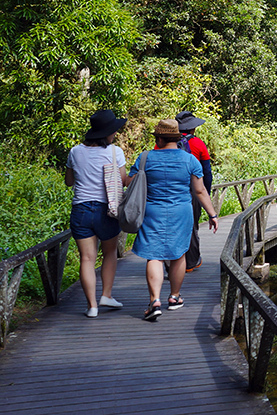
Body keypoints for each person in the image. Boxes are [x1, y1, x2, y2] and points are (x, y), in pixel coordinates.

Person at [129, 119, 219, 321]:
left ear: (159, 138)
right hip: (181, 211)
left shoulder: (145, 158)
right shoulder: (190, 160)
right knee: (179, 253)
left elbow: (130, 182)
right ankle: (174, 297)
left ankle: (154, 301)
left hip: (152, 211)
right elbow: (200, 190)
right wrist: (212, 215)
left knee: (154, 255)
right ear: (177, 138)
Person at [65, 110, 131, 318]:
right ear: (108, 133)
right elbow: (121, 181)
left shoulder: (75, 151)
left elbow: (69, 181)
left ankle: (92, 306)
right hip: (107, 210)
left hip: (81, 209)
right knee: (109, 253)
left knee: (87, 258)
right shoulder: (115, 152)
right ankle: (106, 295)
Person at [175, 111, 212, 273]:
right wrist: (206, 194)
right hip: (192, 190)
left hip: (170, 190)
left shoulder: (162, 144)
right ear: (192, 129)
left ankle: (173, 262)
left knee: (173, 225)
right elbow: (207, 172)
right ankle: (191, 262)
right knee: (192, 225)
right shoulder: (198, 144)